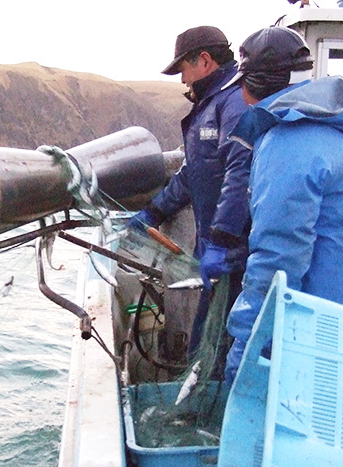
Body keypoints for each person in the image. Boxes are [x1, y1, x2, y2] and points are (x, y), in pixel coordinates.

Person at [222, 26, 343, 385]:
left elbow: (277, 259)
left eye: (242, 86)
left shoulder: (288, 142)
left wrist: (246, 344)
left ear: (255, 86)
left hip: (333, 338)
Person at [128, 26, 252, 359]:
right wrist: (154, 212)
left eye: (183, 69)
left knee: (220, 349)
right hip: (215, 251)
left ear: (205, 61)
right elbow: (193, 173)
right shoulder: (210, 105)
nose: (182, 80)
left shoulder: (235, 103)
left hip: (237, 259)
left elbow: (240, 175)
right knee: (204, 345)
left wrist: (223, 242)